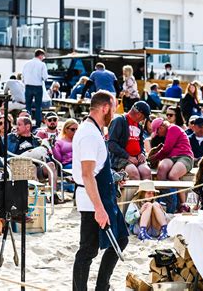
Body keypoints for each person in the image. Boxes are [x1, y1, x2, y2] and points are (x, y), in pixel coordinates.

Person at [72, 91, 128, 290]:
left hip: (101, 196)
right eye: (113, 108)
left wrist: (113, 178)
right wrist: (99, 208)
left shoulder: (94, 131)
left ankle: (101, 286)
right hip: (92, 200)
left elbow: (96, 169)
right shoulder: (88, 134)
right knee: (87, 250)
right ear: (105, 108)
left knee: (120, 239)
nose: (114, 113)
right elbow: (87, 174)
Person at [7, 117, 60, 201]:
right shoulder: (11, 138)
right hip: (18, 167)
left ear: (27, 127)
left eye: (19, 125)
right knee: (32, 167)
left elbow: (44, 156)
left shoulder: (37, 140)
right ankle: (39, 196)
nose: (16, 127)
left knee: (51, 165)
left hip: (37, 166)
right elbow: (6, 153)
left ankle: (54, 194)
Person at [149, 118, 194, 213]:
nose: (158, 135)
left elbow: (166, 149)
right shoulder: (168, 131)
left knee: (173, 175)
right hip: (172, 157)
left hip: (185, 156)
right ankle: (167, 198)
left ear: (161, 127)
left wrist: (154, 157)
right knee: (162, 169)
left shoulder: (173, 128)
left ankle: (183, 203)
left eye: (157, 132)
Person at [108, 101, 152, 180]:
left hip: (136, 158)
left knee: (147, 172)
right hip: (121, 158)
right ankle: (137, 193)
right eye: (144, 117)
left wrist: (142, 153)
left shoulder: (139, 125)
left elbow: (141, 143)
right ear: (139, 114)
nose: (144, 120)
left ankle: (147, 192)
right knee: (133, 172)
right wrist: (128, 156)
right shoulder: (119, 120)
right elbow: (111, 144)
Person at [22, 49, 48, 127]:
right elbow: (45, 77)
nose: (43, 58)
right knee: (38, 106)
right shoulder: (42, 64)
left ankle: (26, 123)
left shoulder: (27, 63)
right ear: (40, 55)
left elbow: (23, 75)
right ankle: (37, 124)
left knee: (28, 106)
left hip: (28, 86)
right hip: (37, 86)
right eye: (43, 56)